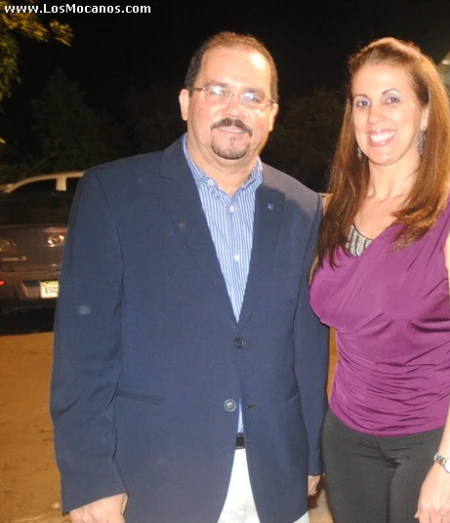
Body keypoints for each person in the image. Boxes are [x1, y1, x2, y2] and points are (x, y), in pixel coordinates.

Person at [50, 32, 329, 523]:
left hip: (274, 475)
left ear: (271, 113)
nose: (234, 108)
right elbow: (82, 348)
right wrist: (90, 475)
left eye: (251, 96)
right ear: (185, 102)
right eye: (217, 90)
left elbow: (306, 343)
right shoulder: (114, 195)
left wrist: (309, 452)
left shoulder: (302, 206)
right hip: (158, 480)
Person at [309, 37, 450, 523]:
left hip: (431, 440)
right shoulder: (336, 209)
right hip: (346, 437)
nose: (375, 117)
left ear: (427, 113)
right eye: (362, 102)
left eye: (392, 99)